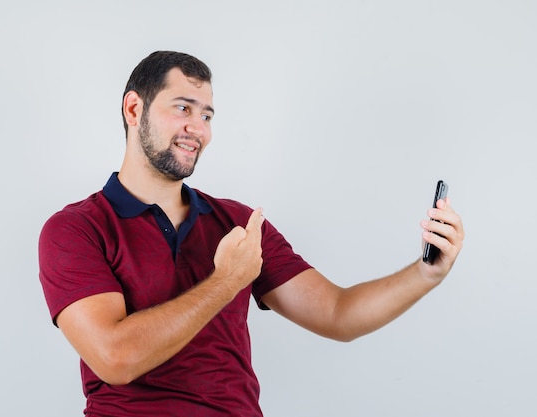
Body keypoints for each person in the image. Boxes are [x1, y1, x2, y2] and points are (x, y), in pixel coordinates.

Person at [38, 50, 464, 417]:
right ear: (134, 109)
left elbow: (338, 314)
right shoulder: (75, 230)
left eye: (206, 115)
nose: (198, 129)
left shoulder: (238, 223)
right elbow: (116, 358)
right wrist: (226, 281)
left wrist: (425, 274)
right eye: (183, 108)